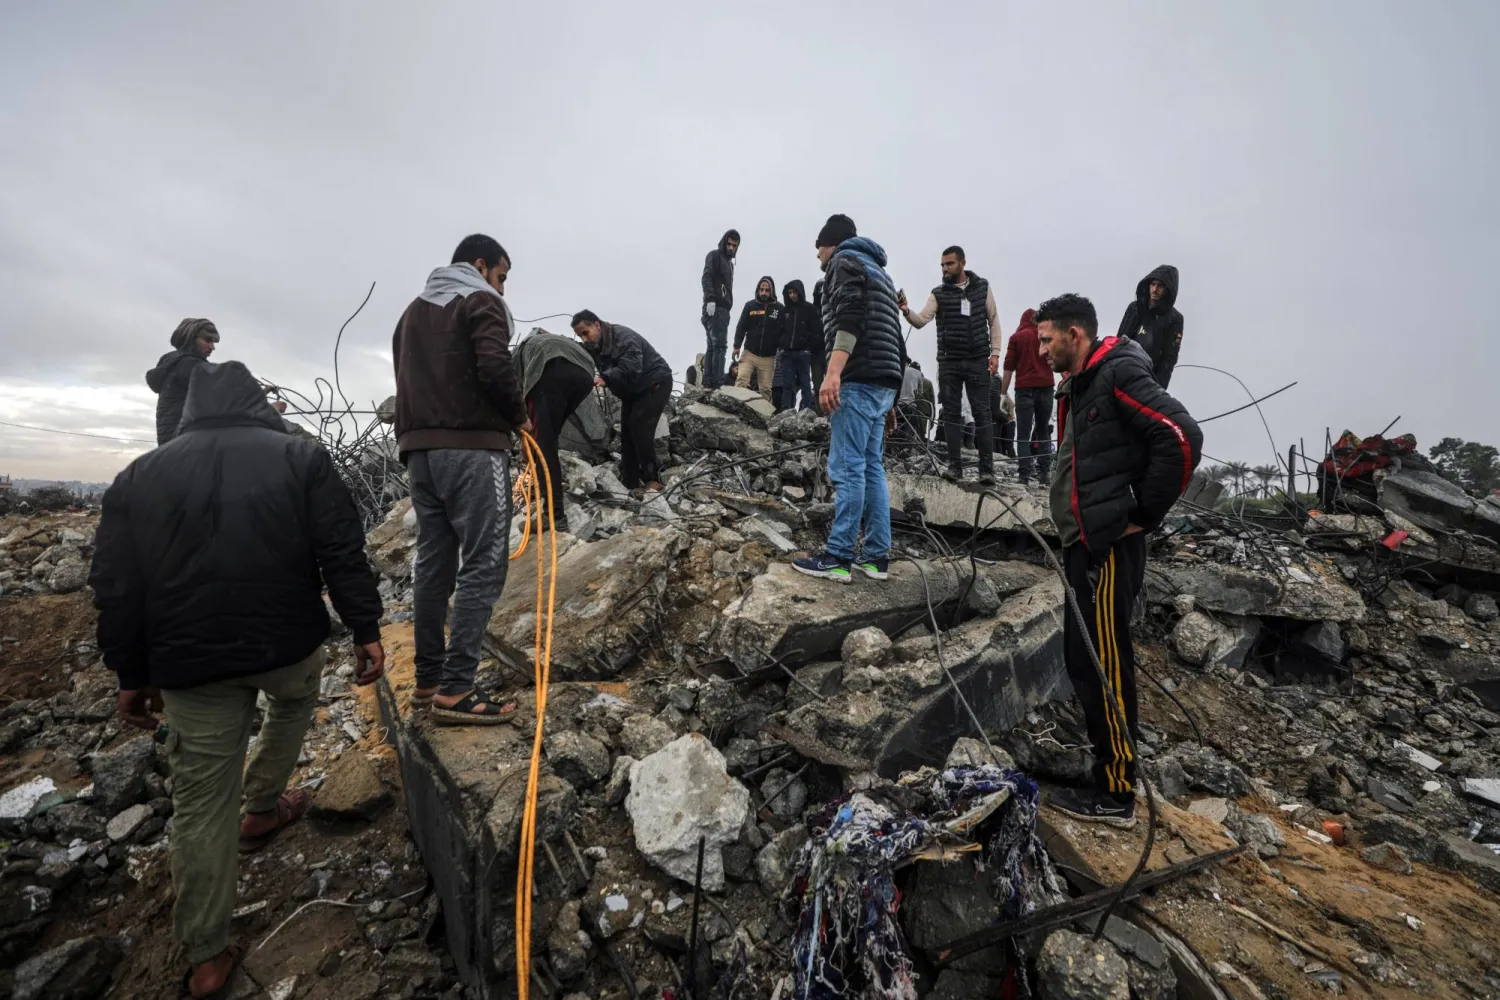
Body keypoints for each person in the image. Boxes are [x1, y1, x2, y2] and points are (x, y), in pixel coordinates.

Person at [89, 360, 384, 998]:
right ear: (258, 403)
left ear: (191, 409)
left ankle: (206, 957)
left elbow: (117, 587)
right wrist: (366, 629)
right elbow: (341, 550)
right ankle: (262, 807)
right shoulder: (300, 456)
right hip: (286, 645)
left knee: (198, 801)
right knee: (293, 702)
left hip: (189, 664)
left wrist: (130, 673)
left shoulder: (139, 474)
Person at [1034, 293, 1201, 826]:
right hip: (1085, 544)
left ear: (1074, 335)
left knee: (1104, 664)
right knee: (1084, 660)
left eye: (1046, 340)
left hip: (1107, 548)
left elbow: (1181, 435)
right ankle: (1108, 771)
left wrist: (1143, 514)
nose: (1041, 351)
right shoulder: (1082, 384)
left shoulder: (1118, 373)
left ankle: (1116, 793)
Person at [393, 234, 531, 724]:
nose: (503, 289)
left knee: (434, 561)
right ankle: (457, 689)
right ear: (480, 265)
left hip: (419, 453)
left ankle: (429, 680)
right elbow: (495, 366)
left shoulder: (411, 312)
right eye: (502, 277)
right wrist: (519, 416)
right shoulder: (480, 301)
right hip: (471, 448)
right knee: (485, 560)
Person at [793, 215, 904, 583]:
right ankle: (875, 558)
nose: (818, 256)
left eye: (819, 247)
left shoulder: (843, 262)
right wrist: (893, 401)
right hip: (884, 380)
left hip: (857, 377)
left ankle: (838, 557)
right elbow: (894, 338)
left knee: (848, 467)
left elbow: (851, 315)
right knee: (872, 466)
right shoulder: (881, 274)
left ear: (832, 242)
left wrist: (833, 371)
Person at [900, 247, 1003, 485]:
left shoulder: (982, 288)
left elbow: (994, 320)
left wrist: (995, 354)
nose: (945, 269)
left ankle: (986, 470)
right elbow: (921, 320)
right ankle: (955, 467)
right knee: (952, 414)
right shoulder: (938, 294)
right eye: (942, 265)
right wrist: (906, 310)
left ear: (962, 263)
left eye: (949, 264)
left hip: (978, 358)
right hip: (949, 361)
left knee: (982, 412)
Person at [572, 310, 674, 492]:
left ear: (596, 324)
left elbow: (632, 366)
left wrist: (606, 378)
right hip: (632, 392)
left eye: (585, 333)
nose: (584, 339)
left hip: (655, 383)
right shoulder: (595, 344)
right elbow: (579, 348)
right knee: (627, 436)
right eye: (580, 335)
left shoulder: (623, 337)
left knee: (639, 427)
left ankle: (653, 481)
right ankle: (629, 483)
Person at [514, 329, 598, 532]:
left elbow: (514, 402)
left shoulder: (514, 359)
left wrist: (526, 446)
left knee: (544, 446)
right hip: (585, 373)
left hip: (550, 369)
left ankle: (554, 516)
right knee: (548, 438)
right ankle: (550, 488)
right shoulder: (546, 342)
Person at [1001, 308, 1057, 485]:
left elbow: (1008, 368)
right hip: (1046, 388)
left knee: (1023, 434)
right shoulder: (1046, 336)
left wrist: (1003, 394)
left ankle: (1024, 475)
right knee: (1043, 431)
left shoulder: (1016, 338)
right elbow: (1057, 360)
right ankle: (1044, 474)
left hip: (1024, 390)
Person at [146, 318, 220, 445]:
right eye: (207, 340)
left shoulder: (171, 360)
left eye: (214, 342)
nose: (212, 347)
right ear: (191, 338)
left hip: (171, 441)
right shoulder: (190, 363)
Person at [1117, 265, 1183, 388]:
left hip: (1147, 378)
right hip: (1122, 370)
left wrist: (1159, 388)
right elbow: (1119, 341)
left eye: (1160, 286)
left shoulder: (1175, 319)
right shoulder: (1134, 308)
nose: (1155, 289)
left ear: (1167, 289)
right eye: (1153, 284)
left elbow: (1169, 358)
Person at [701, 229, 740, 389]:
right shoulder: (715, 256)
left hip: (721, 308)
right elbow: (707, 276)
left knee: (712, 346)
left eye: (734, 245)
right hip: (716, 306)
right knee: (720, 346)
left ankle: (708, 382)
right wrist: (710, 298)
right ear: (724, 242)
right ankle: (717, 384)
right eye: (729, 244)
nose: (731, 248)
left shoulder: (729, 263)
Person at [733, 276, 782, 401]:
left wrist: (781, 347)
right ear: (758, 290)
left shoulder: (779, 308)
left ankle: (764, 417)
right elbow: (741, 326)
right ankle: (735, 411)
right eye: (761, 290)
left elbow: (784, 331)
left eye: (767, 290)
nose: (764, 293)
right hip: (749, 353)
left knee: (765, 389)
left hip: (769, 357)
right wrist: (736, 346)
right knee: (741, 380)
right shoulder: (750, 306)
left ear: (772, 291)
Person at [777, 279, 820, 411]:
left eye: (794, 292)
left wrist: (808, 347)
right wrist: (782, 346)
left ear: (800, 292)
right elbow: (779, 330)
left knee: (805, 383)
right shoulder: (785, 311)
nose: (792, 295)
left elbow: (816, 331)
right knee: (787, 384)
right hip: (787, 354)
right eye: (789, 293)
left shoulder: (810, 309)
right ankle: (786, 411)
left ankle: (807, 411)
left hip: (803, 353)